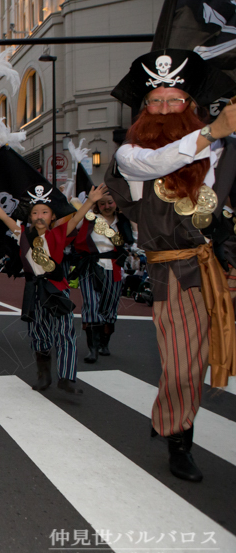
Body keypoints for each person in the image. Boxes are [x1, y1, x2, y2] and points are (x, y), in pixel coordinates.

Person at [106, 49, 236, 482]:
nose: (163, 110)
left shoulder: (221, 152)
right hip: (175, 272)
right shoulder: (131, 156)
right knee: (183, 366)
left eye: (173, 100)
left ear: (191, 106)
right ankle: (178, 437)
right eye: (155, 102)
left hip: (223, 265)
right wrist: (209, 134)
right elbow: (162, 162)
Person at [0, 183, 108, 395]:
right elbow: (5, 218)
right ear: (30, 217)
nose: (39, 216)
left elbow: (77, 217)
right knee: (39, 334)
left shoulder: (59, 233)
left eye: (44, 212)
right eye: (35, 212)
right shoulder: (23, 233)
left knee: (65, 333)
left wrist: (90, 200)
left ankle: (67, 377)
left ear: (52, 217)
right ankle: (44, 375)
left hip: (57, 289)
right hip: (34, 289)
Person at [71, 192, 135, 363]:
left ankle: (103, 343)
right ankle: (92, 349)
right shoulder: (89, 218)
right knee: (91, 304)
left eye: (110, 202)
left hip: (114, 268)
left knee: (109, 307)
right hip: (91, 267)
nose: (106, 207)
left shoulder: (123, 223)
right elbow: (74, 204)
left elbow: (136, 238)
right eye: (102, 204)